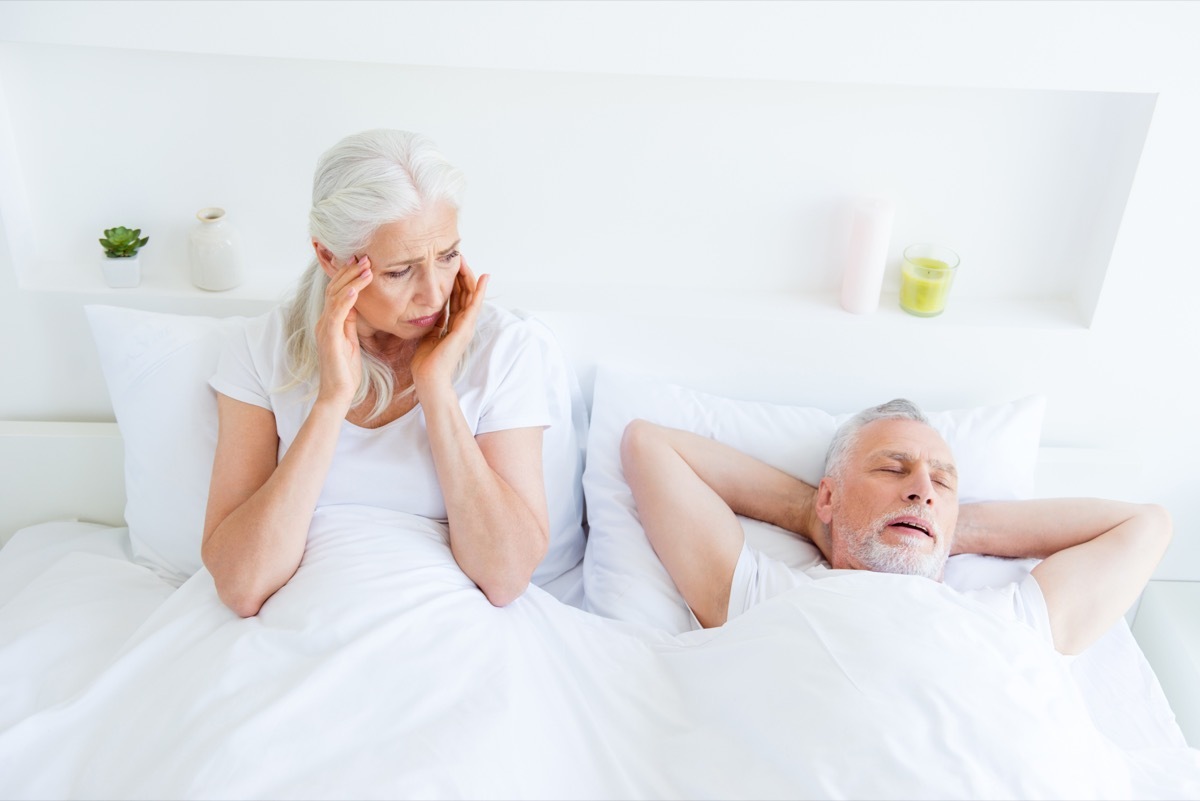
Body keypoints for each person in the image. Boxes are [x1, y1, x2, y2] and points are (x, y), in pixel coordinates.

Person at [202, 129, 554, 617]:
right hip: (303, 629)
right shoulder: (259, 348)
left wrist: (436, 390)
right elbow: (242, 585)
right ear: (329, 256)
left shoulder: (506, 348)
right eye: (399, 271)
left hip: (452, 629)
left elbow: (506, 576)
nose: (433, 294)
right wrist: (330, 402)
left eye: (448, 256)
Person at [620, 398, 1172, 655]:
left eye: (943, 483)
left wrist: (948, 526)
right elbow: (651, 444)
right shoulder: (762, 594)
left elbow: (1146, 523)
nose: (923, 489)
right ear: (831, 493)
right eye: (893, 468)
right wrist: (817, 515)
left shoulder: (1009, 619)